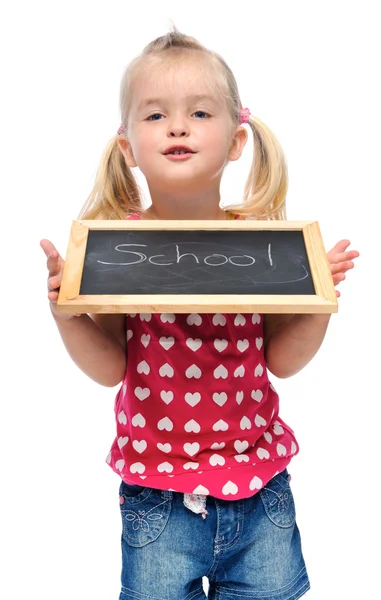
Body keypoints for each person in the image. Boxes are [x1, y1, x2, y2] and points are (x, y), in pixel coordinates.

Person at [40, 27, 359, 600]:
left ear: (237, 141)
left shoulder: (264, 247)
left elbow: (282, 361)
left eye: (200, 113)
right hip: (157, 499)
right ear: (128, 148)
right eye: (156, 115)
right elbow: (112, 368)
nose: (178, 127)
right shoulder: (114, 249)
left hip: (261, 494)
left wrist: (319, 303)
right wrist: (69, 316)